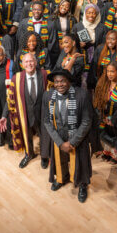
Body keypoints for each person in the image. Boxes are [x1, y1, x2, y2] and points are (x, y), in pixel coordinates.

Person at [42, 68, 94, 203]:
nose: (59, 84)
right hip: (58, 136)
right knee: (61, 160)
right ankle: (62, 178)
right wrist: (59, 142)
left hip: (77, 137)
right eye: (56, 82)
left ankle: (82, 184)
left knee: (81, 162)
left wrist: (73, 141)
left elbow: (87, 121)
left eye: (63, 81)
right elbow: (47, 121)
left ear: (69, 81)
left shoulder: (81, 95)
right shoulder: (48, 96)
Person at [1, 52, 51, 169]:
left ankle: (44, 156)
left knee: (44, 134)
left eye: (31, 61)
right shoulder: (16, 78)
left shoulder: (44, 74)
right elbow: (10, 98)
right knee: (26, 135)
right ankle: (29, 154)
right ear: (22, 64)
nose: (29, 64)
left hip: (42, 113)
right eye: (26, 62)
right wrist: (4, 116)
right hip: (24, 114)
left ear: (36, 62)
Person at [92, 62, 117, 163]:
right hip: (105, 117)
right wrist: (103, 117)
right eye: (108, 71)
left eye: (112, 72)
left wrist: (113, 119)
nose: (109, 74)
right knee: (106, 134)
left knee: (116, 135)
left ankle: (116, 156)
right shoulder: (103, 83)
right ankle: (107, 153)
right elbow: (98, 101)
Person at [72, 3, 106, 90]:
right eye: (88, 12)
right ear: (85, 13)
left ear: (97, 14)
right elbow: (71, 42)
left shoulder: (102, 28)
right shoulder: (78, 26)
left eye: (93, 13)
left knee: (93, 80)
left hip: (96, 57)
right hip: (82, 56)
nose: (91, 15)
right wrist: (78, 44)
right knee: (81, 79)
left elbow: (104, 44)